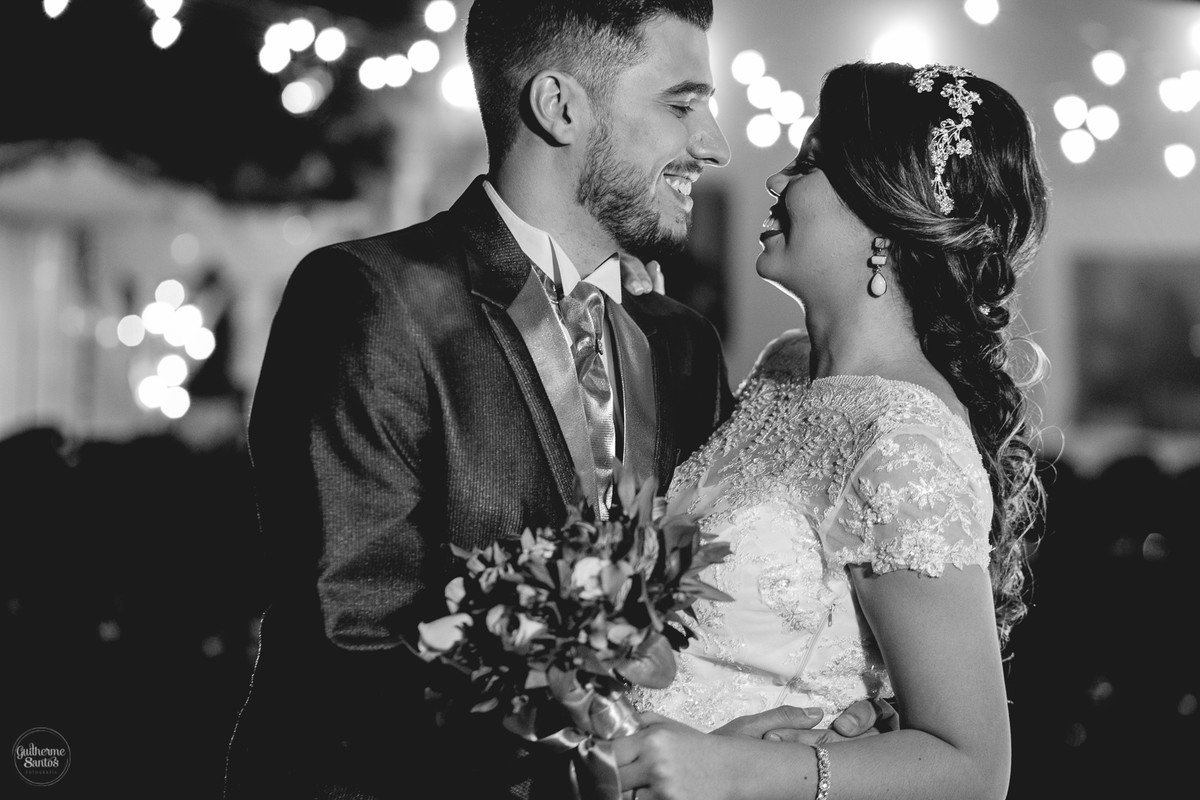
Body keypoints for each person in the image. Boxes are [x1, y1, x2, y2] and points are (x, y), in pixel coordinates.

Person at [222, 3, 887, 799]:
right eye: (681, 104)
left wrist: (768, 725)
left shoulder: (681, 343)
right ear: (559, 106)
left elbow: (711, 613)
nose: (713, 145)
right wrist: (601, 767)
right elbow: (351, 649)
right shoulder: (370, 299)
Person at [617, 60, 1049, 800]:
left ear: (884, 219)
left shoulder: (903, 440)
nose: (776, 181)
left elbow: (974, 768)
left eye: (810, 164)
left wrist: (736, 772)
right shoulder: (785, 371)